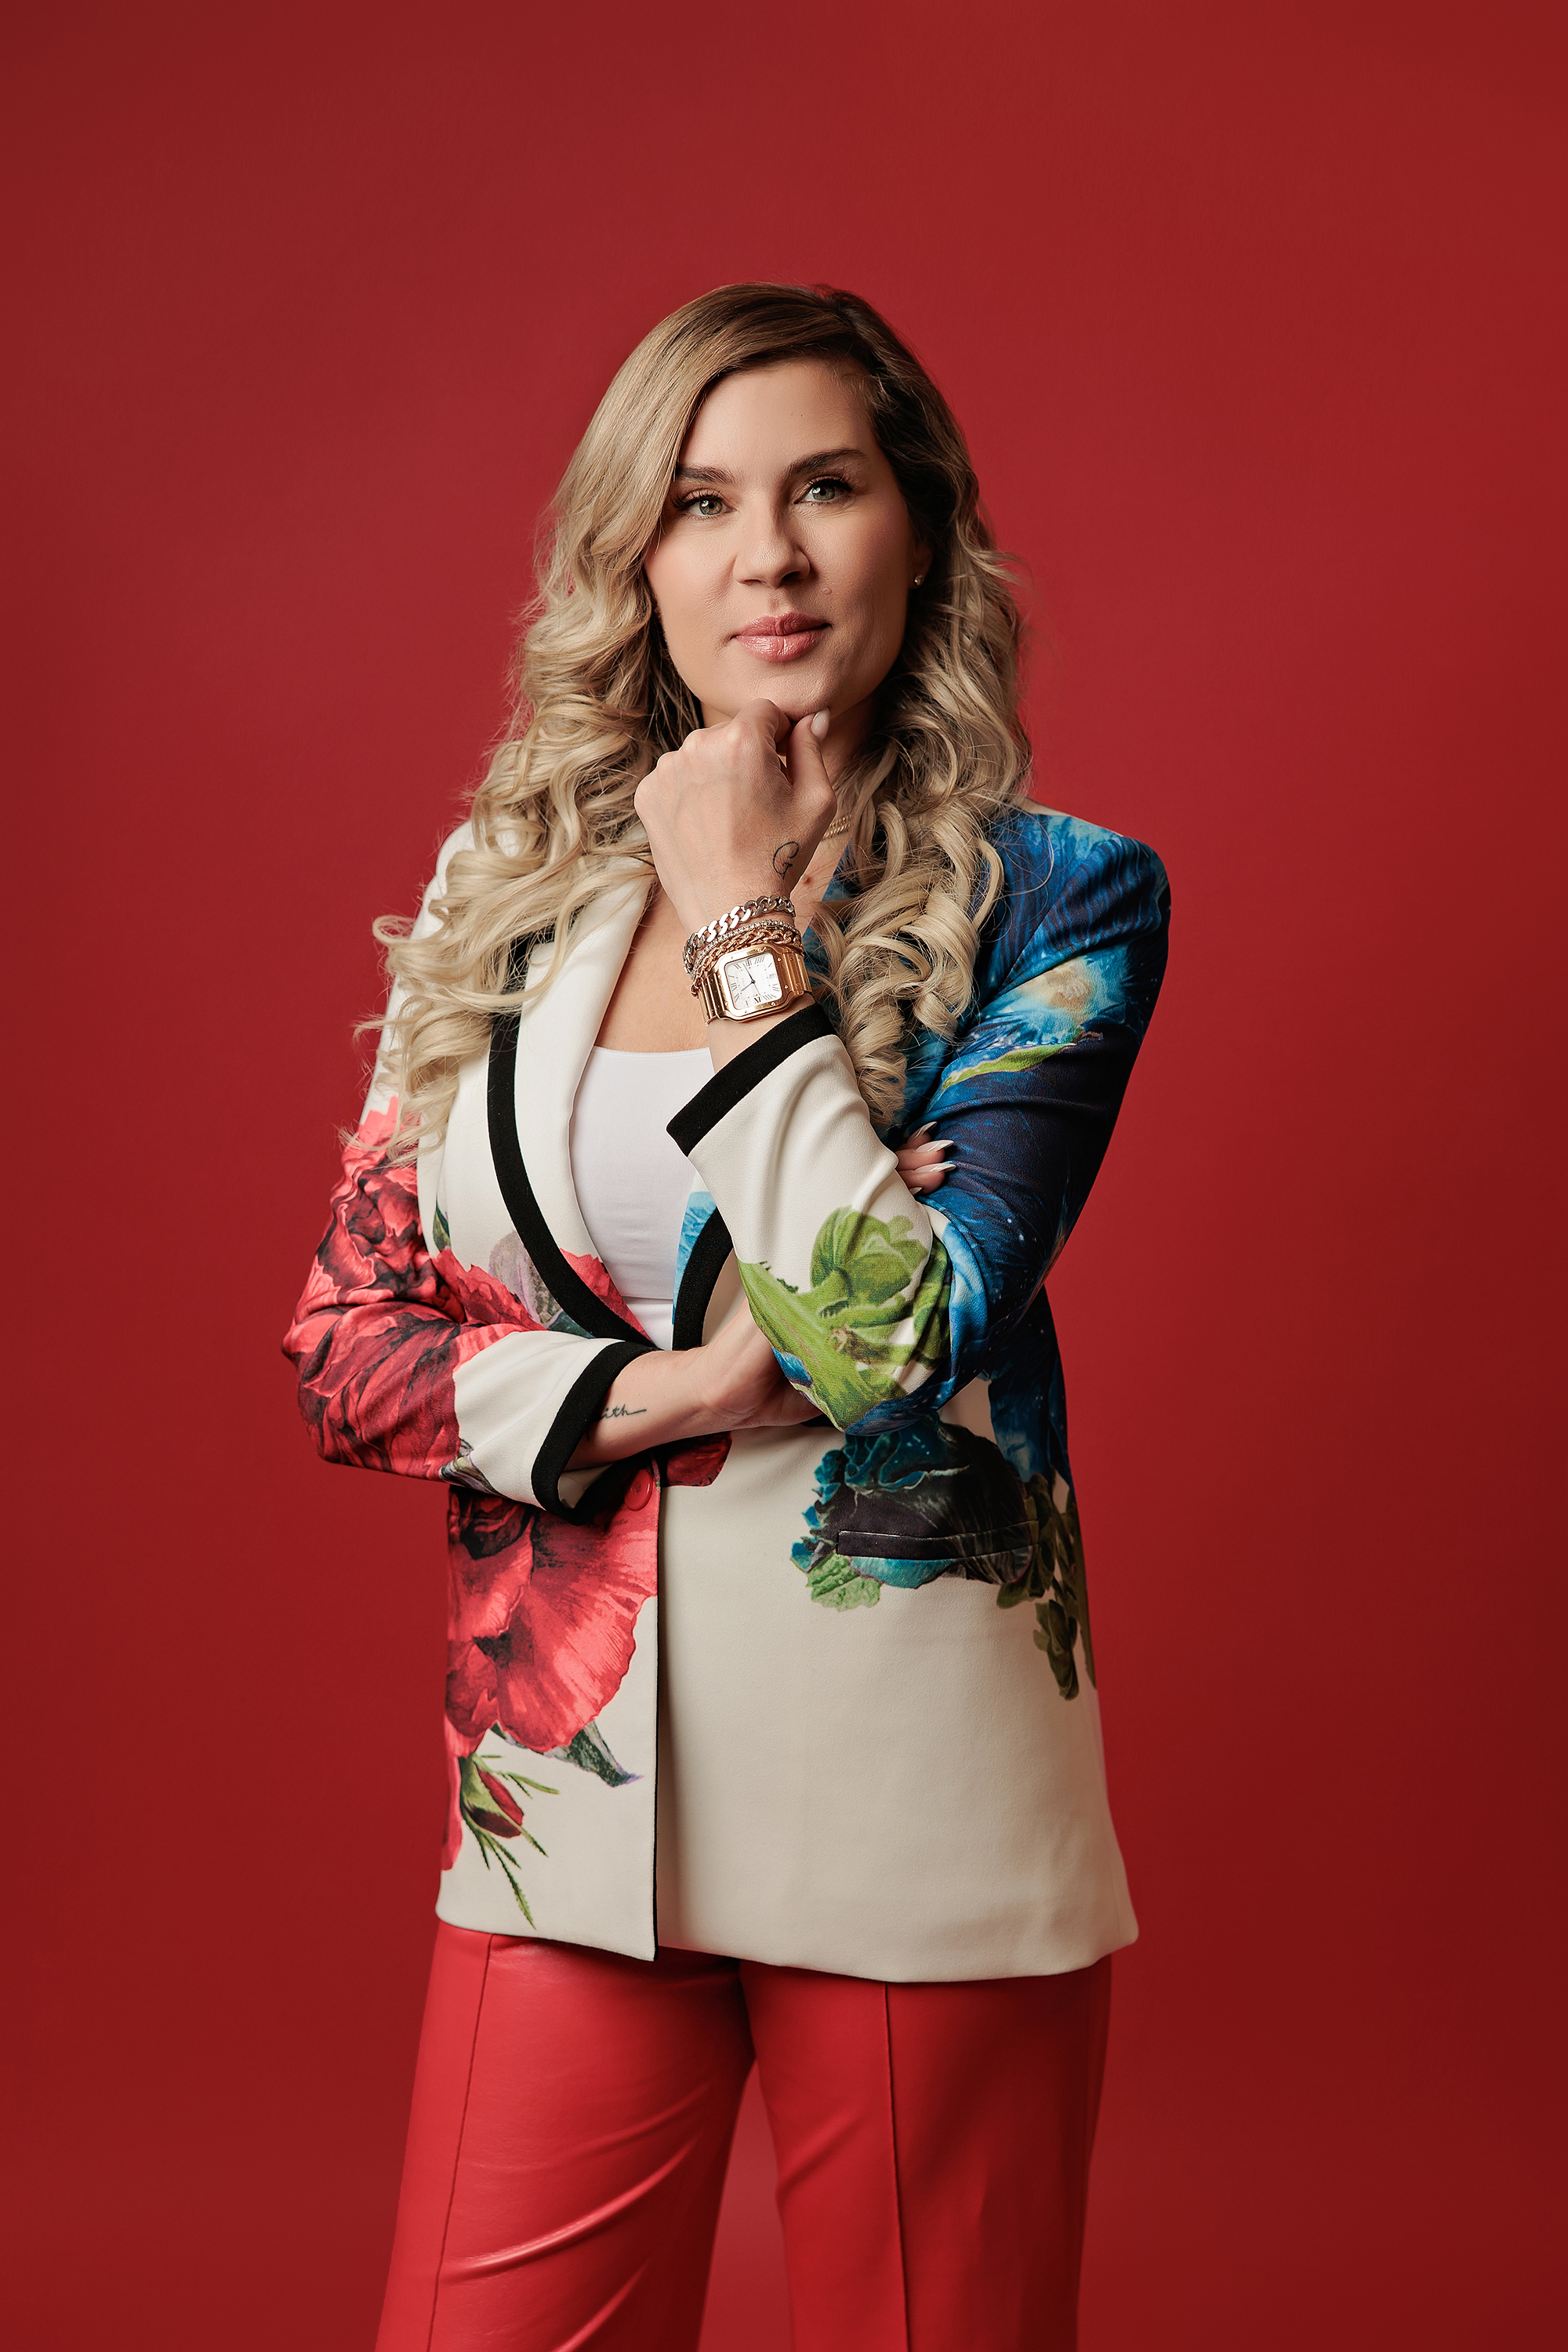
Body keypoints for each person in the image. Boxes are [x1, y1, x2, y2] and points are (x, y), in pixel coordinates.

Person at [285, 281, 1169, 2352]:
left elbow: (884, 1344)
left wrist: (756, 931)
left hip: (909, 1811)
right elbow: (344, 1341)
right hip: (565, 1813)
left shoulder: (1063, 899)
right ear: (640, 561)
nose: (763, 552)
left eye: (824, 489)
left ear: (920, 531)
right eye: (699, 502)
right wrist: (675, 1384)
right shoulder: (513, 879)